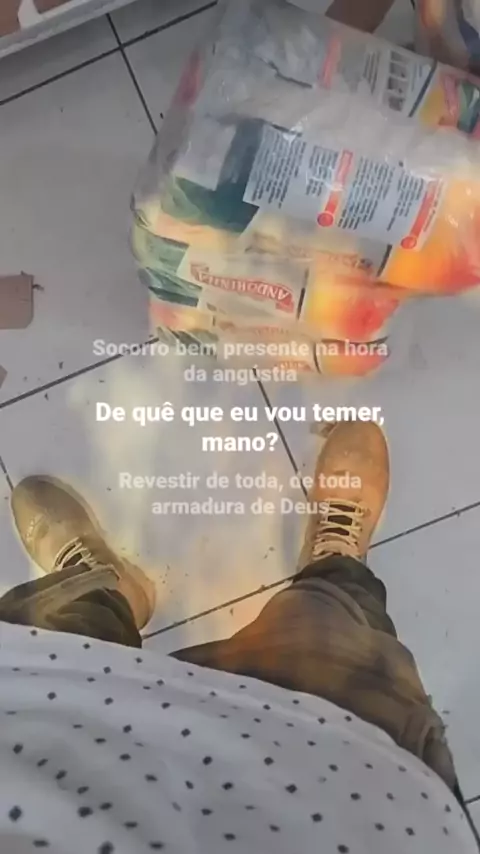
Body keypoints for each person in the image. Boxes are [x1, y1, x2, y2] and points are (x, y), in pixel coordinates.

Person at [0, 422, 477, 853]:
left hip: (41, 742)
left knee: (66, 637)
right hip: (335, 793)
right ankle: (335, 568)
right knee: (333, 639)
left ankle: (104, 590)